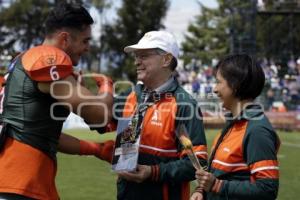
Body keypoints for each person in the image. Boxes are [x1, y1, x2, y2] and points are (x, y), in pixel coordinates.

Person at [0, 2, 114, 200]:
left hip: (15, 179)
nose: (87, 48)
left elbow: (41, 134)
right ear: (65, 39)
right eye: (85, 41)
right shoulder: (48, 57)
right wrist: (106, 87)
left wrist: (94, 149)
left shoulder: (22, 60)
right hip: (21, 184)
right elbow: (99, 114)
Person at [113, 30, 208, 200]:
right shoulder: (129, 96)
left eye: (143, 56)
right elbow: (98, 120)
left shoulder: (184, 105)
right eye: (136, 56)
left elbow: (195, 164)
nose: (136, 62)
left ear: (166, 59)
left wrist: (152, 172)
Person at [191, 54, 280, 200]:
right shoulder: (233, 123)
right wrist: (201, 190)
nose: (214, 89)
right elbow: (217, 175)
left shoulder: (257, 130)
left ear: (235, 85)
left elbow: (267, 189)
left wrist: (217, 185)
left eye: (219, 82)